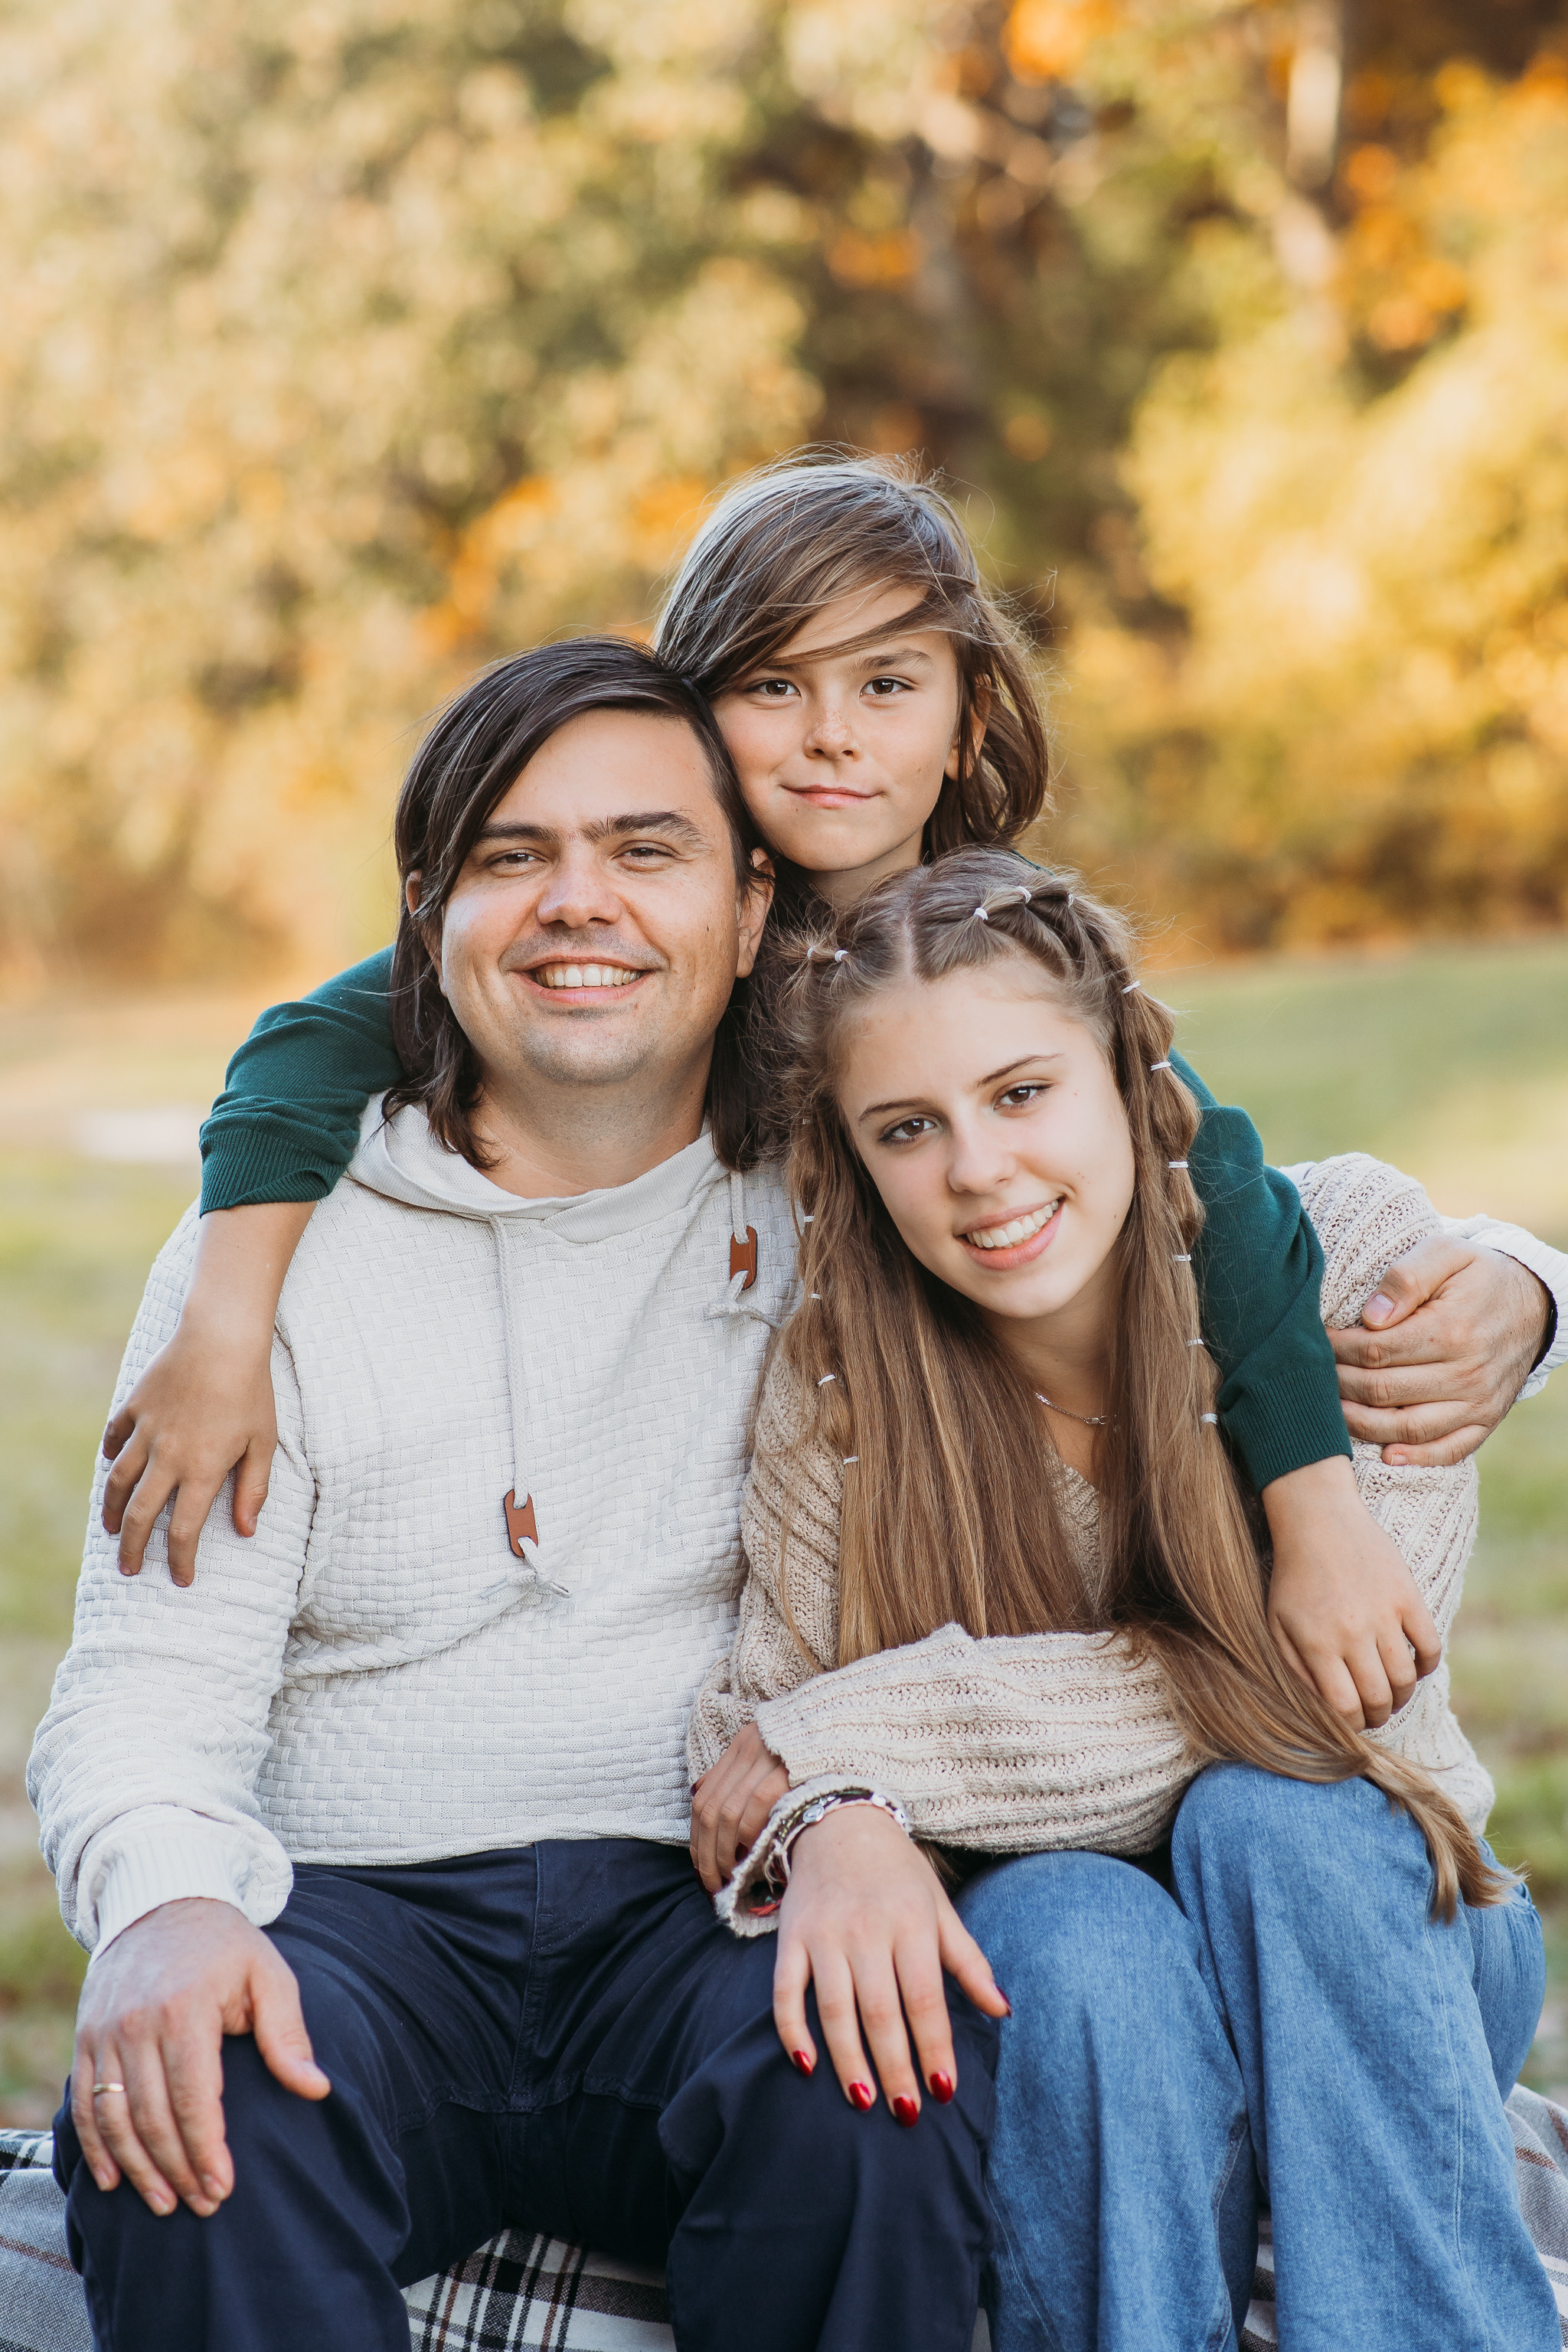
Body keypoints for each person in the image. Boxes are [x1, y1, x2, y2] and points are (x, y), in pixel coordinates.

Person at [96, 452, 1559, 1745]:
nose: (831, 736)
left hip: (1018, 1506)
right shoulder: (644, 923)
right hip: (819, 1523)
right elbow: (302, 1049)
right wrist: (227, 1332)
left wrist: (1426, 1391)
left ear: (967, 714)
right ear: (693, 709)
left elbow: (1211, 1178)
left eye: (886, 684)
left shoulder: (996, 946)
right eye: (771, 686)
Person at [27, 641, 1006, 2352]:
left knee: (883, 2073)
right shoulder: (258, 1274)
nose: (579, 904)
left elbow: (1147, 1194)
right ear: (428, 910)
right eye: (511, 855)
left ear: (752, 896)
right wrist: (167, 1903)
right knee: (181, 2113)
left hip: (704, 1904)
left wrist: (1520, 1284)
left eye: (644, 850)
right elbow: (145, 1687)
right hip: (351, 1923)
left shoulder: (860, 1189)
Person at [686, 848, 1563, 2352]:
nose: (976, 1169)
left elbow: (1318, 1701)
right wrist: (825, 1793)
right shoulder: (835, 1396)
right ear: (852, 1156)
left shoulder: (1348, 1260)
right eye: (909, 1128)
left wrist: (870, 1732)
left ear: (1125, 1072)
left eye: (1022, 1093)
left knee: (1275, 1816)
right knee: (1077, 1929)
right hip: (1086, 2008)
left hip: (1381, 1936)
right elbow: (754, 1740)